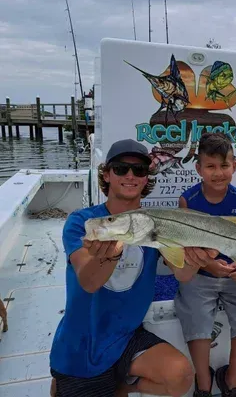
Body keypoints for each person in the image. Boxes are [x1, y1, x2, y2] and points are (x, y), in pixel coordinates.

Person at [49, 138, 219, 397]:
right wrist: (108, 255)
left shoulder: (153, 224)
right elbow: (89, 281)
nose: (130, 175)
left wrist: (197, 260)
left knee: (181, 375)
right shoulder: (83, 222)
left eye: (139, 170)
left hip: (127, 336)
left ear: (146, 177)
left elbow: (183, 274)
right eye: (120, 169)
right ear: (106, 174)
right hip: (83, 343)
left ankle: (122, 384)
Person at [175, 132, 236, 397]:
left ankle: (231, 379)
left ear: (234, 165)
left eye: (224, 165)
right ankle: (203, 382)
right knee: (198, 324)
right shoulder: (187, 200)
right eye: (210, 166)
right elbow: (188, 248)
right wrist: (210, 267)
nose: (218, 172)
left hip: (234, 276)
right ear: (199, 168)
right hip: (200, 275)